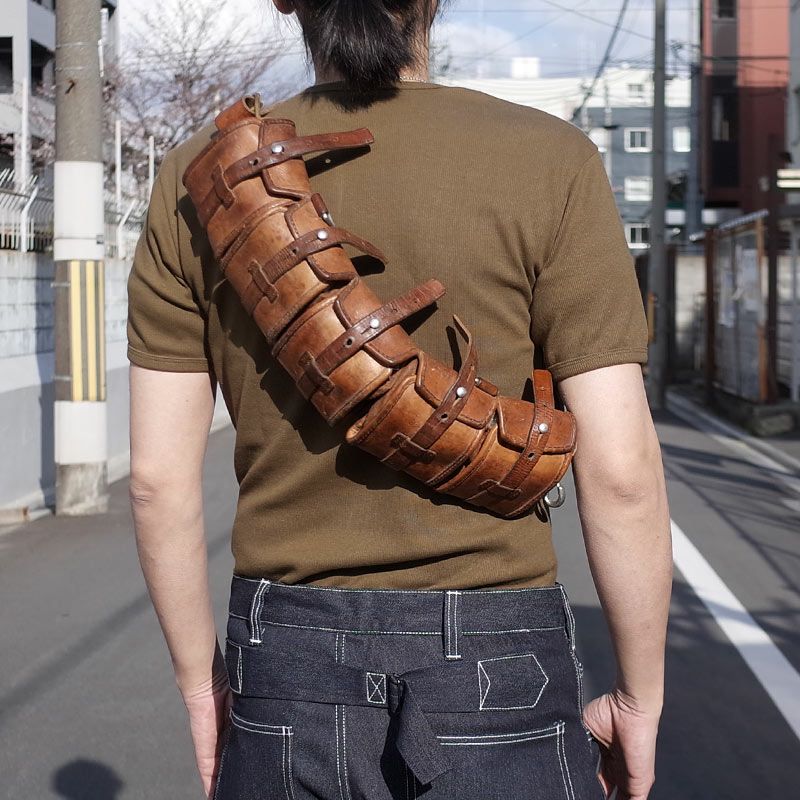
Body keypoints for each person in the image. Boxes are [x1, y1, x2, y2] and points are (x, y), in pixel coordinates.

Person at [126, 1, 673, 798]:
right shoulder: (549, 159)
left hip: (285, 661)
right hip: (499, 655)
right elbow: (621, 473)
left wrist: (200, 688)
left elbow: (155, 483)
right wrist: (639, 696)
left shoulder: (197, 178)